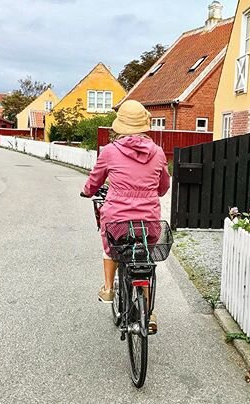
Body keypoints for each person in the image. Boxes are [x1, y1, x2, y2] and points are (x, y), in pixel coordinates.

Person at [81, 100, 170, 329]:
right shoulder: (158, 153)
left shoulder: (110, 152)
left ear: (120, 126)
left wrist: (87, 191)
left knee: (110, 248)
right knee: (145, 257)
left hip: (117, 221)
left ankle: (109, 289)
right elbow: (163, 186)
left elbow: (95, 180)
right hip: (149, 221)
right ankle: (148, 314)